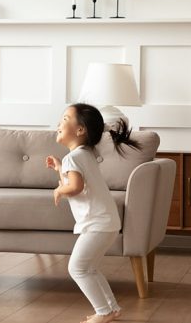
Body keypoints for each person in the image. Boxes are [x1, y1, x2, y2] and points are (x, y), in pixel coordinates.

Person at [45, 103, 141, 323]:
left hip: (96, 224)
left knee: (77, 268)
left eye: (65, 119)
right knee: (90, 268)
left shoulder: (75, 157)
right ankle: (111, 308)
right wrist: (60, 170)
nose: (59, 123)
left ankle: (103, 312)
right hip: (106, 222)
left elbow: (75, 188)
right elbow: (77, 183)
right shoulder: (84, 154)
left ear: (80, 130)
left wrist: (59, 188)